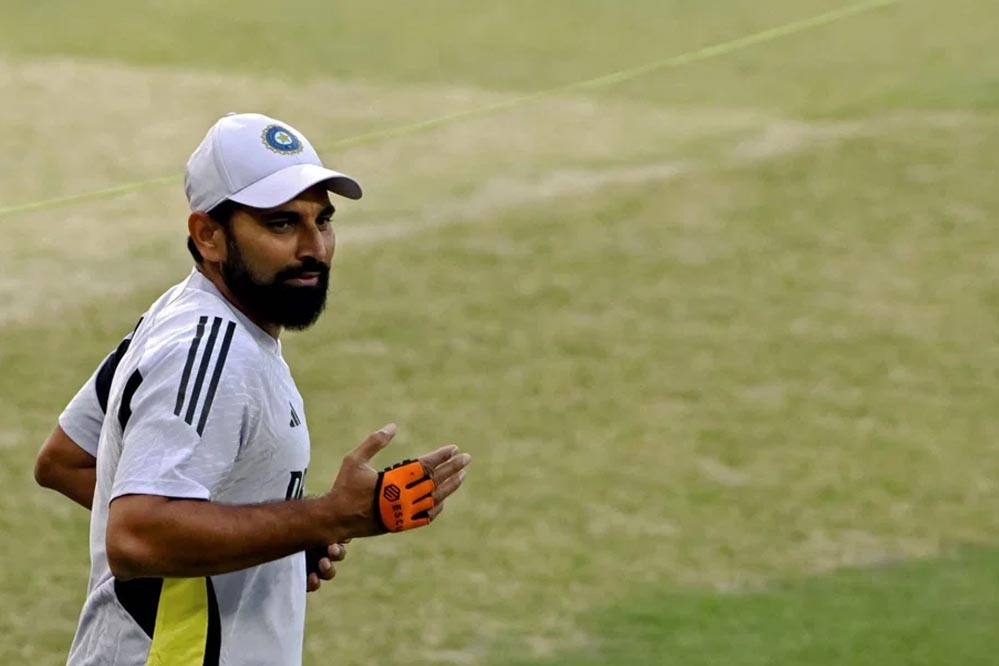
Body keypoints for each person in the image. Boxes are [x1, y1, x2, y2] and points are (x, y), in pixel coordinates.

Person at [33, 112, 472, 666]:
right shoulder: (209, 353)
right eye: (281, 224)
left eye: (323, 220)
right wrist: (327, 516)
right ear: (208, 235)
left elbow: (67, 460)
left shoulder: (183, 313)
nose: (315, 248)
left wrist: (270, 542)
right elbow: (136, 536)